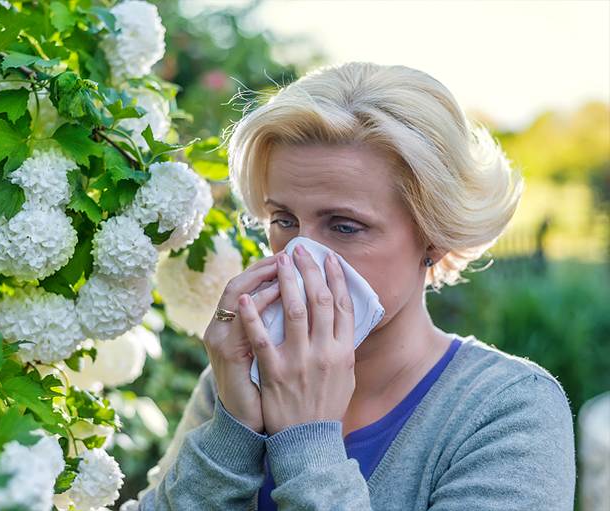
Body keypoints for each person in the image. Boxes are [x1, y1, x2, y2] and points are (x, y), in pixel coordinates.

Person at [132, 62, 575, 510]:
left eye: (344, 227)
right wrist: (231, 435)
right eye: (284, 220)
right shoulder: (240, 376)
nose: (300, 256)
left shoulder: (509, 410)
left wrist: (307, 444)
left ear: (434, 237)